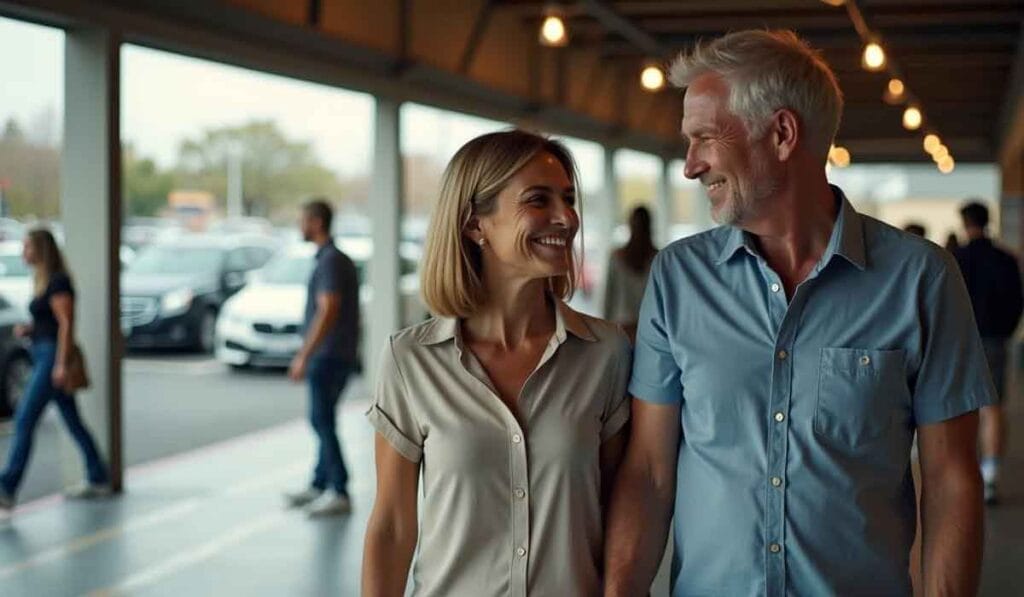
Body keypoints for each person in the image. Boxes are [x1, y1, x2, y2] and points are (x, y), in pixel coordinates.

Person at [604, 30, 992, 596]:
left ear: (782, 134)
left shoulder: (920, 279)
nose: (690, 166)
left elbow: (950, 480)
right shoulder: (678, 279)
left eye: (705, 139)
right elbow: (649, 472)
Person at [362, 130, 631, 596]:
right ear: (474, 225)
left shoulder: (604, 353)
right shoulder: (410, 361)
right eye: (538, 200)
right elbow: (391, 527)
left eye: (568, 199)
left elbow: (620, 511)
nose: (565, 217)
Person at [0, 228, 109, 511]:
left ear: (41, 249)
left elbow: (66, 324)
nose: (23, 252)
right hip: (41, 351)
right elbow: (50, 322)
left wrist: (61, 363)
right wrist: (31, 329)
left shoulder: (58, 282)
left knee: (24, 420)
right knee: (73, 421)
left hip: (51, 358)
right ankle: (99, 476)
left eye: (27, 247)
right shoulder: (42, 280)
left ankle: (6, 489)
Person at [283, 199, 361, 518]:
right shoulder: (334, 258)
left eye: (302, 220)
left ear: (316, 222)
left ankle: (339, 489)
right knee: (323, 417)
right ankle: (319, 483)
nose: (299, 227)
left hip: (328, 355)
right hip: (336, 354)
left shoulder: (330, 260)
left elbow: (328, 308)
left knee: (321, 420)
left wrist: (305, 354)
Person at [954, 200, 1023, 504]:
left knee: (955, 406)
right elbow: (1018, 301)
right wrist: (1004, 331)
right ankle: (991, 476)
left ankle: (957, 471)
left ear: (965, 222)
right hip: (995, 338)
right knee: (993, 406)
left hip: (958, 340)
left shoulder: (956, 258)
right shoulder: (1005, 259)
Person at [603, 205, 658, 341]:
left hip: (621, 327)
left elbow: (608, 297)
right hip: (649, 329)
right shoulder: (657, 258)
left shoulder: (617, 256)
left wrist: (604, 327)